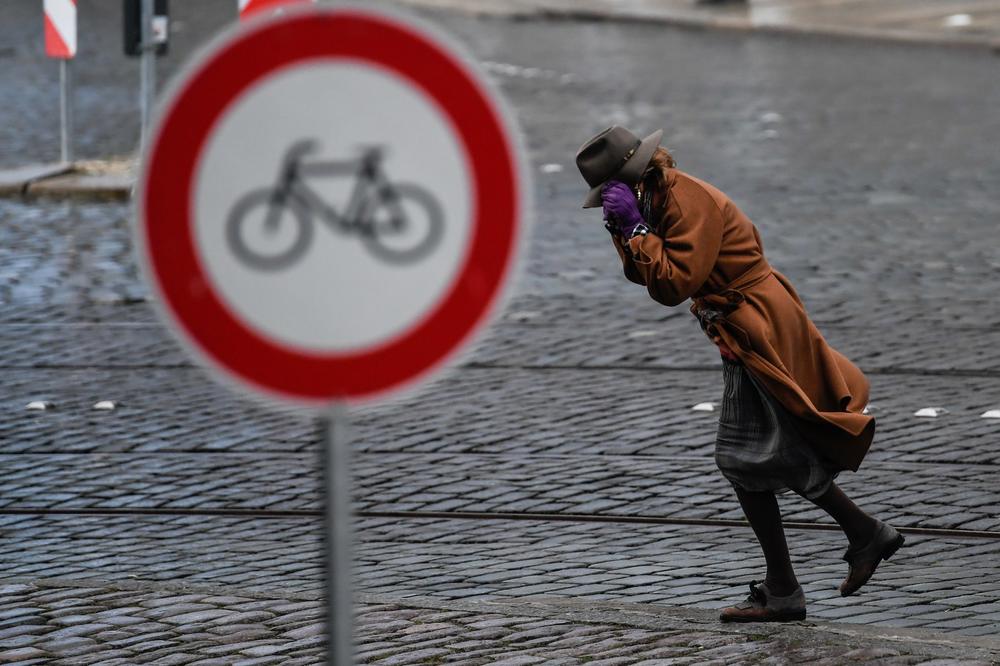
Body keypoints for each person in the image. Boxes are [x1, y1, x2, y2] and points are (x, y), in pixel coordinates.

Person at [575, 126, 904, 622]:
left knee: (751, 458)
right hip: (738, 332)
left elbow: (670, 285)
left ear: (638, 177)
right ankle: (817, 565)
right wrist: (627, 232)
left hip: (760, 327)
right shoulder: (659, 198)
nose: (611, 203)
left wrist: (638, 232)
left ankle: (826, 561)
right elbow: (643, 273)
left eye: (613, 194)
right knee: (751, 460)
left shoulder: (687, 202)